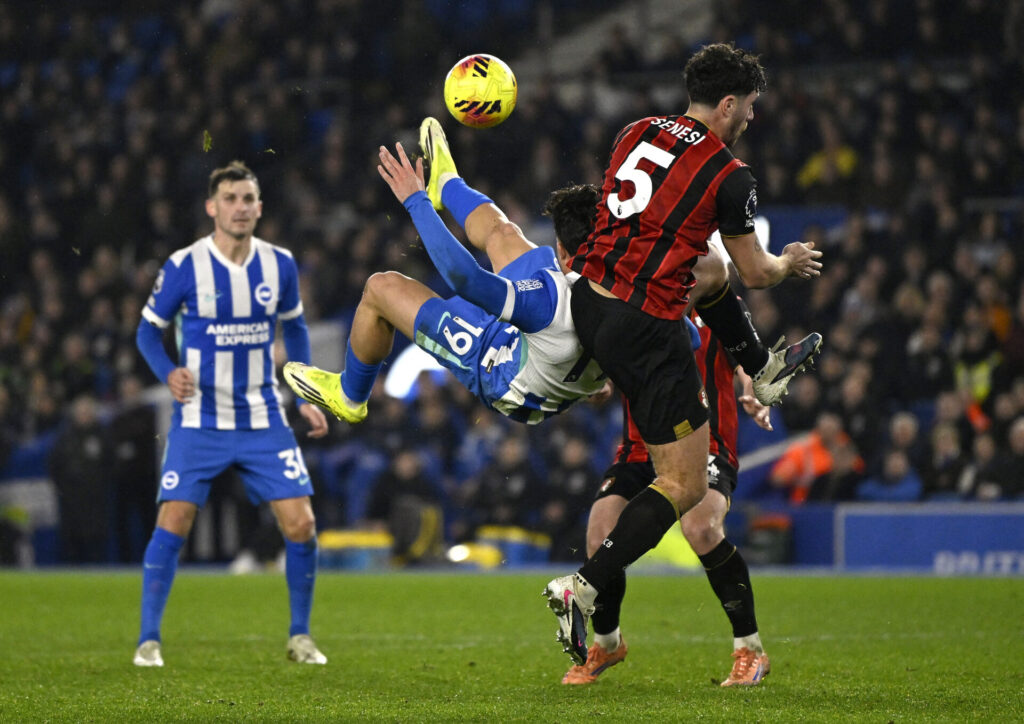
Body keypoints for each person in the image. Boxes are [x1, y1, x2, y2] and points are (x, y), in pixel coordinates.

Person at [546, 42, 823, 664]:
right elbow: (755, 272)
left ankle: (759, 366)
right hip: (647, 324)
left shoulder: (635, 130)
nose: (750, 118)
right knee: (684, 484)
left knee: (709, 269)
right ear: (728, 104)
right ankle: (582, 588)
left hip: (592, 304)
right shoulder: (730, 174)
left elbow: (673, 244)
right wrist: (789, 264)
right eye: (749, 107)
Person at [282, 118, 609, 428]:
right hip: (553, 357)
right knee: (504, 236)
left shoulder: (546, 299)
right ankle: (447, 184)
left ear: (562, 252)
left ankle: (350, 397)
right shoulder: (631, 284)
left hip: (505, 377)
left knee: (380, 288)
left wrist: (415, 201)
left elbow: (465, 278)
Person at [132, 161, 330, 668]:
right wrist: (168, 373)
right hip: (200, 418)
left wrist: (305, 394)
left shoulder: (279, 264)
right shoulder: (184, 266)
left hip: (263, 415)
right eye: (230, 199)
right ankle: (149, 639)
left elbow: (297, 331)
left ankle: (301, 636)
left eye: (248, 199)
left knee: (302, 524)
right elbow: (146, 332)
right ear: (212, 207)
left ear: (259, 208)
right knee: (173, 519)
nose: (240, 208)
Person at [559, 248, 775, 687]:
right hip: (640, 449)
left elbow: (748, 360)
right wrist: (597, 386)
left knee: (701, 529)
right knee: (600, 535)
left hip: (704, 447)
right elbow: (608, 370)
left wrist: (752, 387)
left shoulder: (716, 307)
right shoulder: (633, 304)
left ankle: (750, 649)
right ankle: (608, 641)